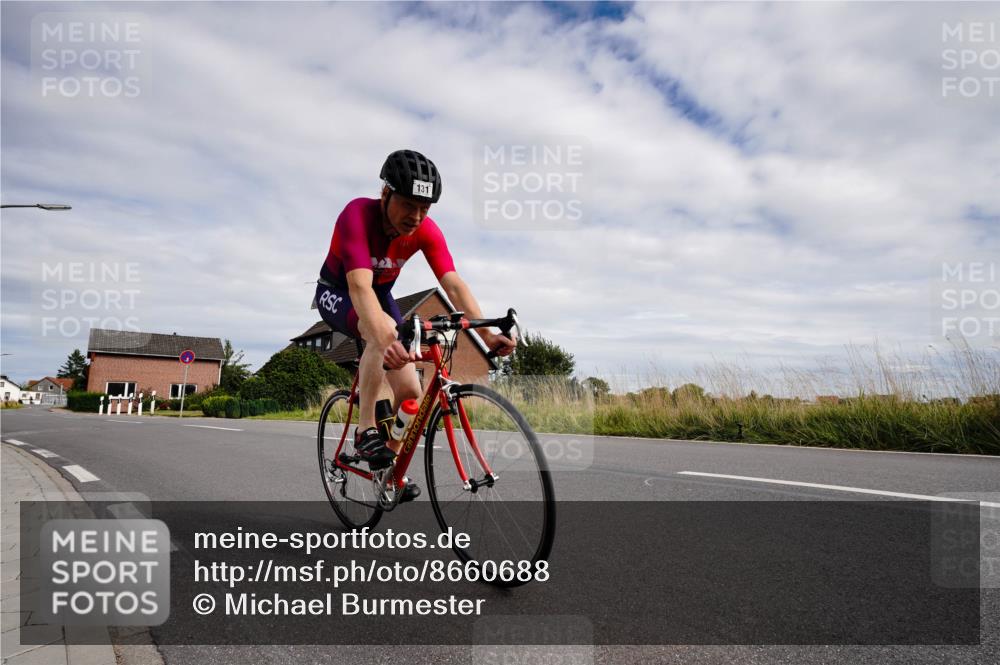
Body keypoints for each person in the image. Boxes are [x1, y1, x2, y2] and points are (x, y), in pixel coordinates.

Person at [315, 150, 516, 498]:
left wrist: (486, 334)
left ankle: (386, 471)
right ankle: (364, 430)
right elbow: (361, 288)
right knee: (383, 333)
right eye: (409, 204)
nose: (417, 216)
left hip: (380, 294)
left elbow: (453, 284)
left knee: (410, 393)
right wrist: (386, 338)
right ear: (385, 193)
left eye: (425, 208)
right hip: (339, 292)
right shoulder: (356, 216)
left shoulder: (426, 230)